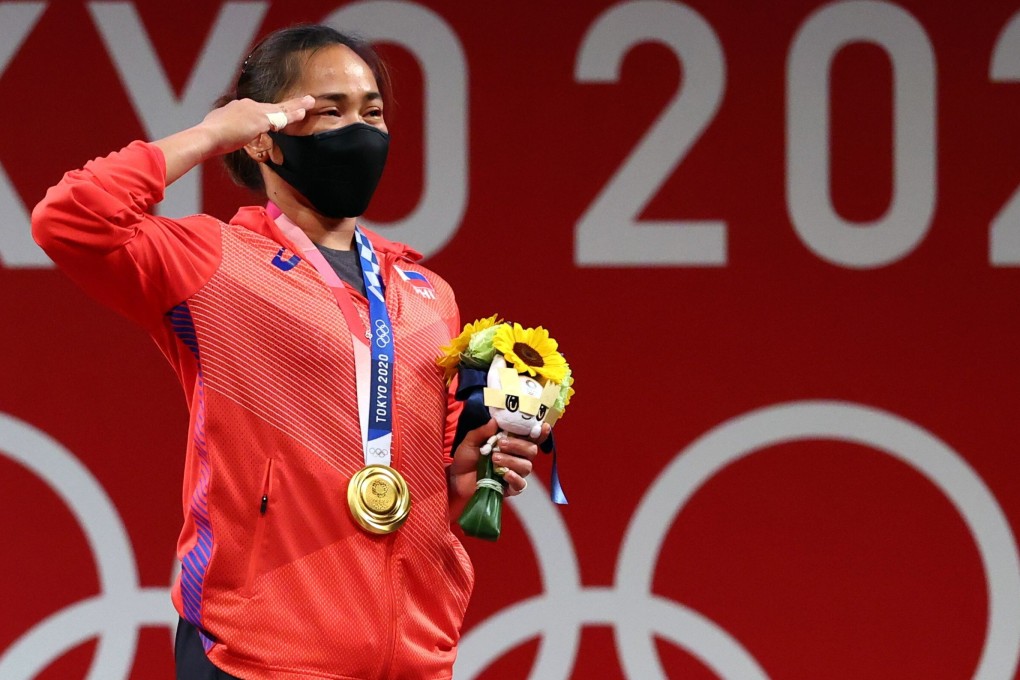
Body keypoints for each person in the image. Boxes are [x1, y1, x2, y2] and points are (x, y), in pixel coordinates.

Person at [32, 23, 542, 680]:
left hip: (415, 657)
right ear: (266, 135)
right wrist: (215, 133)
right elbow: (69, 219)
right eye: (330, 111)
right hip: (261, 657)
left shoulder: (425, 293)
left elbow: (409, 465)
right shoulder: (212, 264)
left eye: (373, 112)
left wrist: (462, 476)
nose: (359, 130)